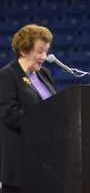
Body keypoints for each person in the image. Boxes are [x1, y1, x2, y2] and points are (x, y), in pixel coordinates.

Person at [0, 24, 57, 193]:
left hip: (45, 162)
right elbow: (10, 115)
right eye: (40, 51)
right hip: (20, 165)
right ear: (24, 50)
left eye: (46, 51)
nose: (44, 56)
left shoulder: (44, 73)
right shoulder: (6, 76)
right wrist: (43, 125)